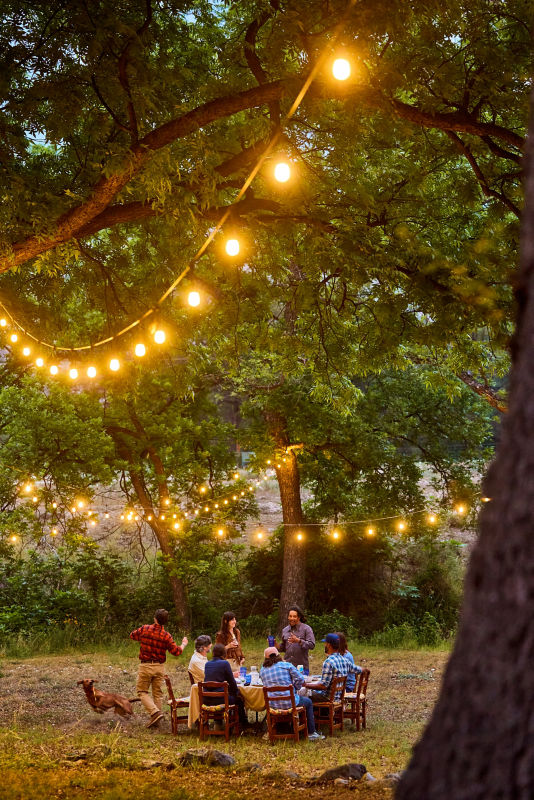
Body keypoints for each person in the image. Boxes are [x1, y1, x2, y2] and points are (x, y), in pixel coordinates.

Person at [130, 608, 188, 728]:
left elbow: (132, 636)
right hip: (159, 667)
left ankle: (155, 712)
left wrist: (144, 640)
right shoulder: (166, 636)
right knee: (157, 693)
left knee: (142, 691)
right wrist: (183, 644)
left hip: (146, 665)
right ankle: (157, 720)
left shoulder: (145, 629)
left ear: (155, 618)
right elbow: (176, 652)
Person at [260, 646, 324, 741]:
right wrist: (296, 688)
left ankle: (278, 728)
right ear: (278, 656)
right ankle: (311, 732)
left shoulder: (262, 670)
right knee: (308, 702)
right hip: (290, 703)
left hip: (273, 706)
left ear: (266, 658)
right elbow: (301, 679)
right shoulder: (287, 666)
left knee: (301, 700)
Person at [306, 633, 361, 703]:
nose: (324, 645)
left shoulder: (329, 662)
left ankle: (310, 713)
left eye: (325, 643)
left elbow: (323, 686)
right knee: (311, 692)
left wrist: (305, 685)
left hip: (328, 698)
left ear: (328, 645)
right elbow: (358, 670)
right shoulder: (344, 659)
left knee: (304, 696)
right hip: (338, 697)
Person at [203, 642, 248, 728]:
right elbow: (232, 681)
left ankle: (218, 722)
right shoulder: (224, 663)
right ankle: (242, 724)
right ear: (224, 653)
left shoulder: (207, 664)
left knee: (227, 695)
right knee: (239, 699)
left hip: (207, 699)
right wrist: (237, 693)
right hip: (221, 699)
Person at [278, 605, 315, 674]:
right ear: (288, 617)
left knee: (302, 685)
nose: (292, 618)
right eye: (290, 616)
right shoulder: (285, 630)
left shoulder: (306, 629)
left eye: (294, 616)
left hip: (301, 669)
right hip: (287, 668)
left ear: (299, 617)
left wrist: (299, 641)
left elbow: (312, 645)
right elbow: (284, 648)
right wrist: (276, 645)